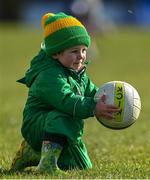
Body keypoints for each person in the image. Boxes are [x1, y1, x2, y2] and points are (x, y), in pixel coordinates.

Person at [9, 12, 119, 174]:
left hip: (60, 126)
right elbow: (65, 100)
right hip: (37, 125)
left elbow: (91, 92)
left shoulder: (77, 71)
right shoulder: (48, 75)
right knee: (61, 116)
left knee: (80, 166)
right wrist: (94, 107)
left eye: (83, 50)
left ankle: (33, 152)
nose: (81, 56)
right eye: (74, 51)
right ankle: (47, 165)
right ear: (55, 53)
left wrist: (106, 101)